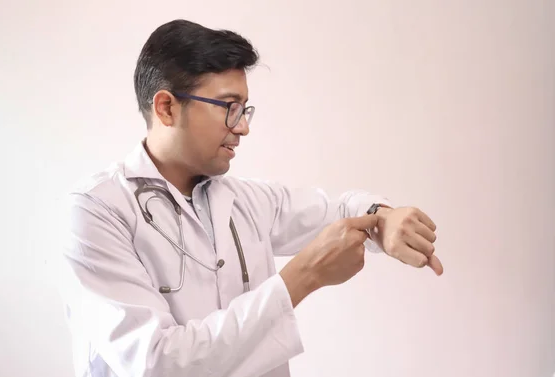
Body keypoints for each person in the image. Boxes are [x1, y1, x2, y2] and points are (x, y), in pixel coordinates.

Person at [57, 19, 443, 377]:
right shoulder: (97, 211)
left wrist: (384, 217)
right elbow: (156, 361)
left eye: (245, 110)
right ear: (167, 107)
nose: (242, 127)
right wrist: (302, 277)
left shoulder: (247, 200)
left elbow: (342, 209)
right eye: (229, 108)